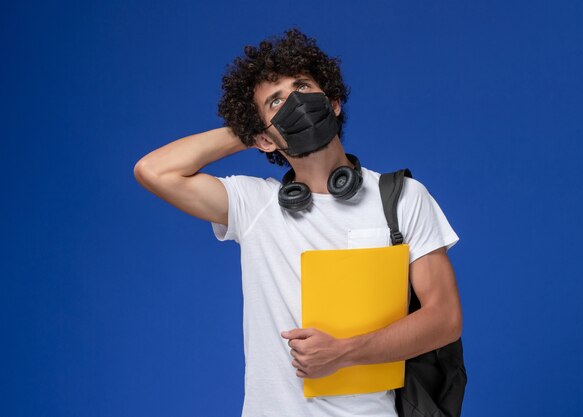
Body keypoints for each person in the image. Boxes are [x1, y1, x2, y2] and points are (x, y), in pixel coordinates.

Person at [134, 27, 463, 417]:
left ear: (333, 102)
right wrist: (251, 130)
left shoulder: (403, 197)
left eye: (303, 86)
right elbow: (154, 171)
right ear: (264, 141)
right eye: (276, 101)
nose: (294, 101)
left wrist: (344, 353)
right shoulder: (254, 204)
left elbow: (444, 318)